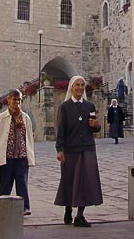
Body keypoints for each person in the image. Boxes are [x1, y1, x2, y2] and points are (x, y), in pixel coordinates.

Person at [54, 75, 103, 227]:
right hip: (70, 149)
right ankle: (68, 208)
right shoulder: (64, 107)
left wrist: (97, 126)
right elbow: (61, 130)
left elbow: (95, 129)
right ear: (71, 87)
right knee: (69, 180)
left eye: (82, 85)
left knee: (86, 181)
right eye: (77, 85)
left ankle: (80, 215)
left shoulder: (89, 106)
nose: (80, 88)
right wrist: (60, 149)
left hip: (87, 148)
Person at [0, 89, 35, 215]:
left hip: (21, 155)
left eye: (19, 100)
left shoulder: (25, 118)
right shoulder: (2, 117)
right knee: (5, 182)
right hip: (7, 155)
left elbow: (29, 137)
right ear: (9, 100)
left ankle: (25, 207)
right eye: (14, 99)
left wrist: (30, 154)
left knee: (22, 182)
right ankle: (3, 205)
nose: (17, 102)